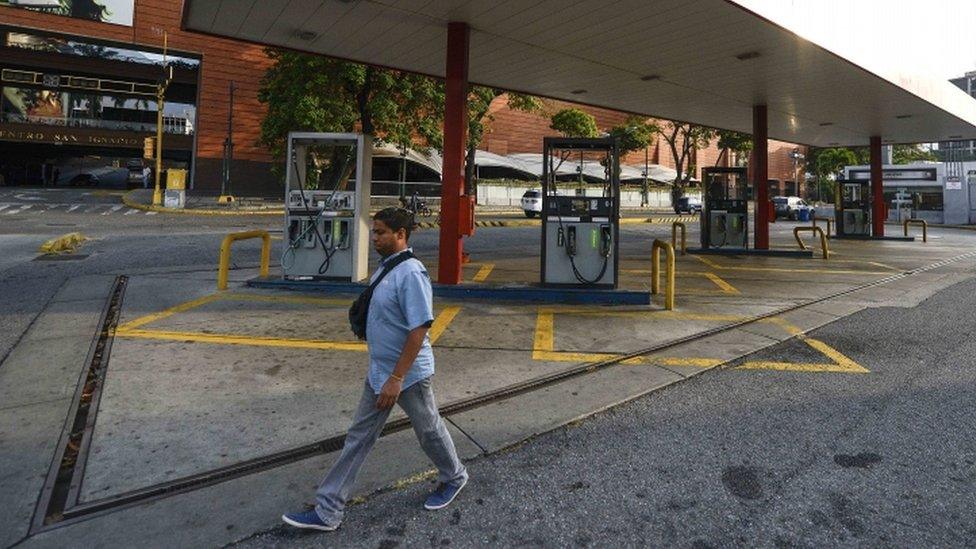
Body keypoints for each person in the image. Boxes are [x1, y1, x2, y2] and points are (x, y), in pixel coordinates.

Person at [282, 207, 468, 532]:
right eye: (375, 231)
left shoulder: (411, 273)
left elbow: (420, 328)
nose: (375, 238)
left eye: (381, 232)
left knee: (428, 430)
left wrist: (397, 378)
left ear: (401, 235)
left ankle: (454, 476)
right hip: (380, 372)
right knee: (358, 437)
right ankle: (329, 510)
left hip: (407, 376)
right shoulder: (386, 267)